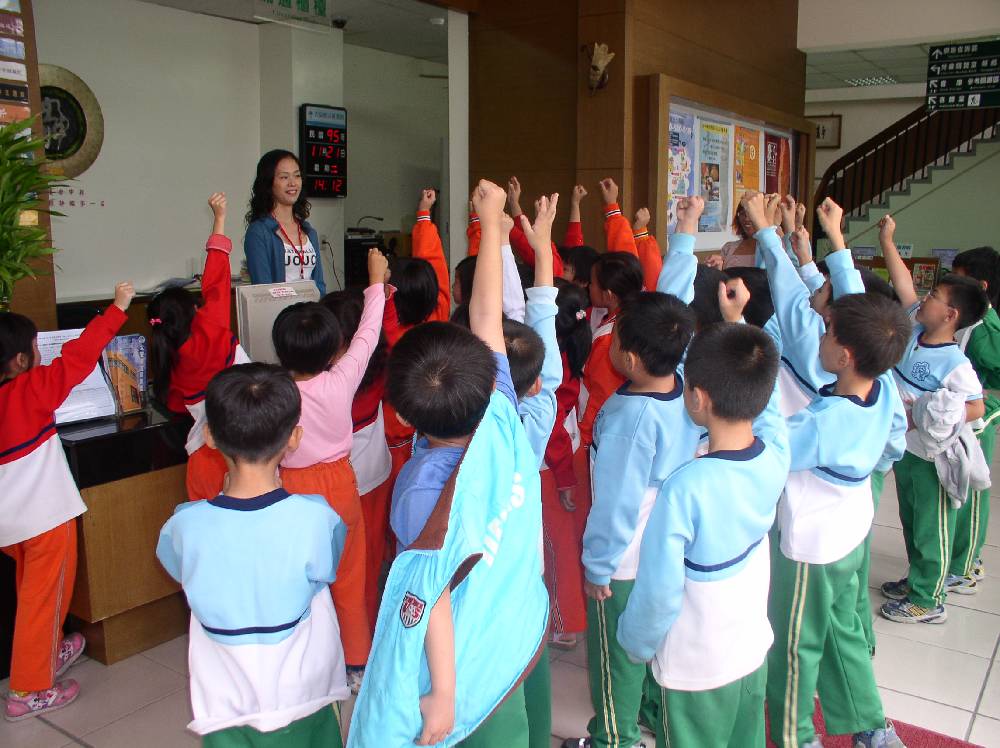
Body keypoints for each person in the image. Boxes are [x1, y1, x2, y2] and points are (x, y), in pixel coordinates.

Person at [350, 179, 548, 747]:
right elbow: (487, 316)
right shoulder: (501, 413)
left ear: (406, 418)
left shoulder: (418, 493)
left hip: (471, 658)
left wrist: (442, 691)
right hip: (514, 610)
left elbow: (429, 595)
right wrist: (491, 223)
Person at [752, 192, 911, 748]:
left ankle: (795, 737)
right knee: (845, 631)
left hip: (811, 543)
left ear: (843, 355)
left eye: (827, 331)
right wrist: (835, 244)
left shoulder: (825, 420)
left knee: (796, 645)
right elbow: (860, 311)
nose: (818, 330)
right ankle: (871, 726)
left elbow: (771, 447)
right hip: (852, 527)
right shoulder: (883, 385)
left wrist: (760, 384)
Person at [156, 364, 349, 746]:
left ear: (209, 436)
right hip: (304, 690)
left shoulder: (184, 526)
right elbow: (328, 567)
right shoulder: (316, 517)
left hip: (224, 696)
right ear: (294, 438)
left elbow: (178, 568)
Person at [618, 320, 789, 748]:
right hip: (751, 650)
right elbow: (770, 416)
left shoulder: (685, 487)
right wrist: (739, 328)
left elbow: (659, 591)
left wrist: (636, 644)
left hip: (696, 665)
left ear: (696, 397)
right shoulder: (775, 456)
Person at [565, 206, 700, 748]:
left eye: (618, 337)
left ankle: (611, 739)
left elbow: (616, 503)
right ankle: (648, 716)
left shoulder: (626, 420)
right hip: (665, 549)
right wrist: (684, 236)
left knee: (613, 655)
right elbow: (674, 306)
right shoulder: (682, 380)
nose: (611, 341)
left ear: (635, 356)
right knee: (648, 645)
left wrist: (596, 565)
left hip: (622, 561)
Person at [2, 281, 134, 721]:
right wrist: (116, 310)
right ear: (22, 359)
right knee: (46, 599)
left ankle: (46, 653)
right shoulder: (32, 390)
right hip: (46, 520)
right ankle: (28, 690)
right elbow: (78, 357)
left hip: (10, 525)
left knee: (34, 594)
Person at [272, 248, 387, 689]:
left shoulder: (275, 391)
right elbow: (368, 335)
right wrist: (375, 282)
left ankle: (303, 662)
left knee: (298, 582)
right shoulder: (342, 380)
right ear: (331, 348)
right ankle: (356, 664)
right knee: (351, 578)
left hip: (290, 490)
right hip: (340, 484)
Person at [877, 214, 990, 623]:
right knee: (910, 518)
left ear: (951, 316)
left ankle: (929, 598)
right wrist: (887, 241)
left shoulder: (955, 362)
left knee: (932, 524)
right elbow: (903, 282)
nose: (925, 297)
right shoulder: (913, 330)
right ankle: (917, 578)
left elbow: (975, 407)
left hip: (931, 456)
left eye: (936, 296)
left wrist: (923, 410)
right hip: (906, 451)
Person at [147, 193, 247, 501]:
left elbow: (176, 405)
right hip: (240, 456)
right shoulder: (211, 327)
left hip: (202, 460)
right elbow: (216, 279)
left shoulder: (168, 358)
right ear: (193, 311)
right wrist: (219, 219)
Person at [320, 288, 393, 632]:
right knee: (369, 562)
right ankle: (367, 633)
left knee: (348, 571)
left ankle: (352, 644)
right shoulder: (377, 369)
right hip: (377, 478)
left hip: (348, 490)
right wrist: (381, 293)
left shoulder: (334, 383)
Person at [541, 279, 592, 650]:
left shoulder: (549, 363)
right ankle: (569, 612)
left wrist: (562, 480)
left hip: (554, 465)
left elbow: (552, 427)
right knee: (566, 543)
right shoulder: (570, 350)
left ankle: (565, 621)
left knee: (556, 547)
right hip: (568, 455)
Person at [948, 245, 1000, 588]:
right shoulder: (970, 322)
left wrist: (981, 393)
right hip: (964, 414)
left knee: (973, 488)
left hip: (979, 419)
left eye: (957, 281)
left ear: (979, 287)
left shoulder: (985, 329)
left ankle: (967, 564)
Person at [244, 149, 326, 294]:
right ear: (269, 183)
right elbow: (264, 290)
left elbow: (319, 285)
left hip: (311, 313)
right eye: (284, 177)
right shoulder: (259, 232)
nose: (293, 183)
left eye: (297, 176)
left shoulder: (309, 232)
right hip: (281, 315)